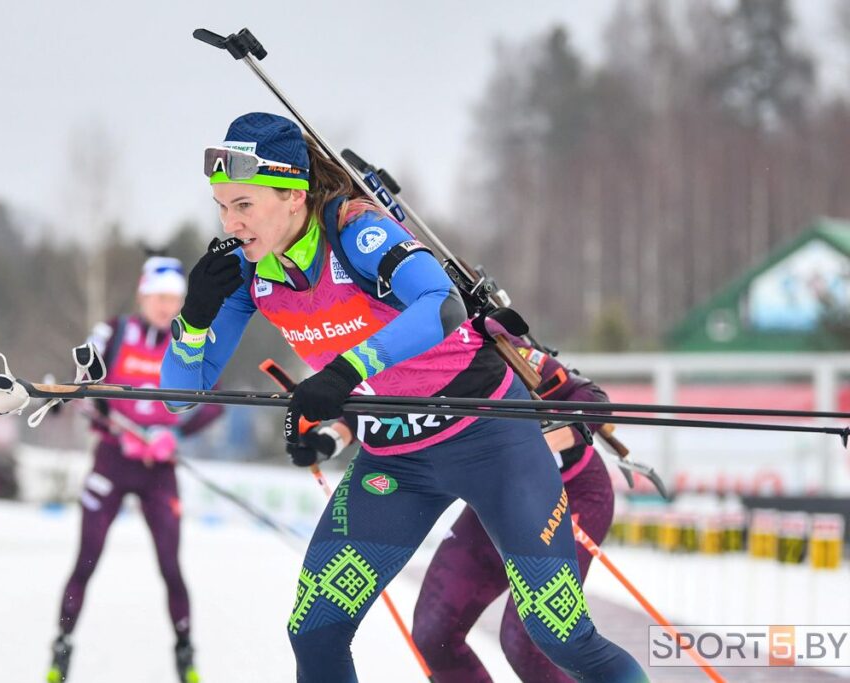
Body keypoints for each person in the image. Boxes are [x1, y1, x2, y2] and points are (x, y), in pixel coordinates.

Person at [160, 111, 647, 682]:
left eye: (244, 205)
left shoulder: (355, 230)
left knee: (559, 637)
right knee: (315, 631)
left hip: (488, 437)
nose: (231, 222)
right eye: (222, 206)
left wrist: (346, 372)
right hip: (395, 456)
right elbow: (179, 398)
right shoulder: (249, 272)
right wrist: (193, 319)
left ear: (293, 196)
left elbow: (443, 305)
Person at [48, 255, 223, 683]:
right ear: (144, 295)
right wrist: (77, 404)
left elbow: (214, 402)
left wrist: (176, 434)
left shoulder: (192, 339)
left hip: (158, 468)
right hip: (112, 459)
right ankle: (62, 650)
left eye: (175, 299)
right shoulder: (115, 330)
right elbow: (82, 380)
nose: (167, 307)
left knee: (170, 565)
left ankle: (185, 655)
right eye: (160, 296)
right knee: (86, 559)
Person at [411, 338, 617, 682]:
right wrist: (333, 435)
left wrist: (539, 444)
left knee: (528, 642)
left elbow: (592, 401)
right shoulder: (393, 351)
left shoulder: (482, 339)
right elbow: (365, 411)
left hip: (572, 492)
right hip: (498, 497)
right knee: (434, 634)